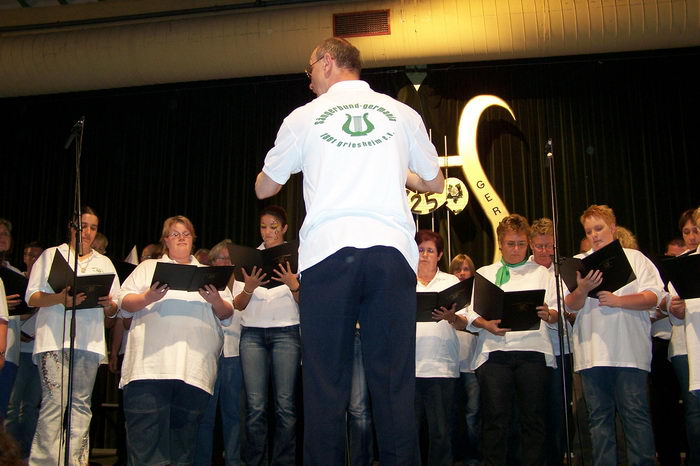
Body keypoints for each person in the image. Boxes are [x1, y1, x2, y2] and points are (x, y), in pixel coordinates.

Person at [254, 36, 443, 465]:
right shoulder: (402, 113)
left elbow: (266, 187)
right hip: (391, 255)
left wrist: (277, 171)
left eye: (309, 73)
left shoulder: (304, 118)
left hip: (329, 255)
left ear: (325, 63)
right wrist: (398, 172)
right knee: (394, 383)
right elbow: (435, 183)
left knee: (324, 383)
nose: (308, 84)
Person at [118, 215, 233, 465]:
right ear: (165, 241)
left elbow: (227, 313)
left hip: (193, 372)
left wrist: (214, 300)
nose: (181, 238)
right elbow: (123, 304)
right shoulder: (147, 269)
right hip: (148, 371)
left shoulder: (210, 274)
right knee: (145, 451)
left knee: (183, 452)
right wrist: (148, 297)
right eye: (174, 233)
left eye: (186, 233)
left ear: (193, 239)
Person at [565, 204, 663, 466]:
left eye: (599, 228)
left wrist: (620, 301)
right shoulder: (579, 262)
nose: (595, 235)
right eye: (589, 230)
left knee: (635, 415)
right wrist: (583, 289)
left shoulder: (636, 258)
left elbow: (654, 296)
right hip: (593, 355)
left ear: (612, 228)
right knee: (598, 419)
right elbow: (570, 304)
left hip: (629, 353)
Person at [25, 207, 120, 464]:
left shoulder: (104, 262)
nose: (87, 232)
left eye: (92, 228)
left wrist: (108, 304)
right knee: (54, 403)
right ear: (71, 227)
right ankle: (44, 461)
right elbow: (31, 296)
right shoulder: (51, 255)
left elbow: (115, 310)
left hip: (89, 342)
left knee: (80, 405)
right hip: (53, 339)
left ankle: (75, 461)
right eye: (82, 226)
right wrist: (59, 298)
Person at [463, 214, 558, 466]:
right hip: (495, 353)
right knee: (495, 419)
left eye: (520, 244)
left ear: (527, 243)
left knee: (533, 420)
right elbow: (471, 313)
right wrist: (485, 324)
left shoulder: (542, 273)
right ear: (500, 243)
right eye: (510, 244)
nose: (516, 250)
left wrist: (548, 313)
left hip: (533, 350)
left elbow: (557, 311)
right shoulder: (485, 273)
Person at [232, 206, 301, 465]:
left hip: (287, 331)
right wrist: (249, 288)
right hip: (252, 335)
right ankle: (255, 461)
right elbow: (238, 304)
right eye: (264, 227)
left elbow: (307, 303)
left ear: (283, 228)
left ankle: (284, 461)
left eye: (274, 227)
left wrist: (293, 284)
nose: (268, 232)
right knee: (255, 406)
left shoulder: (296, 256)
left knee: (285, 406)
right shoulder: (250, 257)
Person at [413, 230, 463, 466]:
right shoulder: (403, 280)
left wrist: (452, 317)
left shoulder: (451, 282)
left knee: (441, 433)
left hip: (441, 367)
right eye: (421, 250)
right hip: (408, 368)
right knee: (408, 433)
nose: (424, 255)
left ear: (440, 255)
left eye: (430, 251)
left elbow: (465, 322)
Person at [528, 218, 575, 465]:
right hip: (533, 351)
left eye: (549, 246)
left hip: (560, 350)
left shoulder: (566, 271)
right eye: (539, 246)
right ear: (530, 245)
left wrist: (555, 315)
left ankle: (557, 458)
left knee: (559, 410)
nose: (545, 251)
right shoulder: (522, 269)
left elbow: (573, 309)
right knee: (534, 411)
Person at [194, 239, 244, 466]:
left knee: (234, 414)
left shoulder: (244, 284)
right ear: (212, 262)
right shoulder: (203, 283)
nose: (226, 262)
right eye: (221, 258)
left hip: (235, 356)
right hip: (208, 355)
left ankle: (234, 459)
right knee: (205, 416)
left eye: (230, 258)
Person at [665, 207, 700, 465]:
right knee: (694, 409)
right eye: (686, 231)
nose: (691, 235)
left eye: (696, 230)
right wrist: (675, 309)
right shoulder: (682, 264)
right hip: (686, 344)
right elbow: (673, 306)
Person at [5, 241, 44, 460]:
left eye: (39, 256)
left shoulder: (46, 285)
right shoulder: (14, 279)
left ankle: (28, 454)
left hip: (37, 351)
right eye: (31, 255)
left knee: (30, 406)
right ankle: (10, 455)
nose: (34, 259)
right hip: (16, 348)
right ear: (24, 257)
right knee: (13, 404)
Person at [448, 253, 480, 465]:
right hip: (448, 363)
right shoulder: (445, 295)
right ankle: (453, 455)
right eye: (457, 269)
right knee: (451, 412)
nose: (461, 273)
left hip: (471, 362)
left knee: (473, 411)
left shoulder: (479, 295)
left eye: (465, 269)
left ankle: (473, 455)